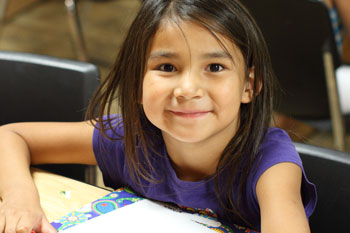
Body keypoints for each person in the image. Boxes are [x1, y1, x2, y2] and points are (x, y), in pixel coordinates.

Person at [0, 0, 316, 233]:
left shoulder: (269, 161)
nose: (188, 89)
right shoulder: (127, 139)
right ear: (136, 82)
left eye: (215, 68)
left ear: (249, 85)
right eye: (167, 68)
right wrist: (19, 197)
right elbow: (10, 137)